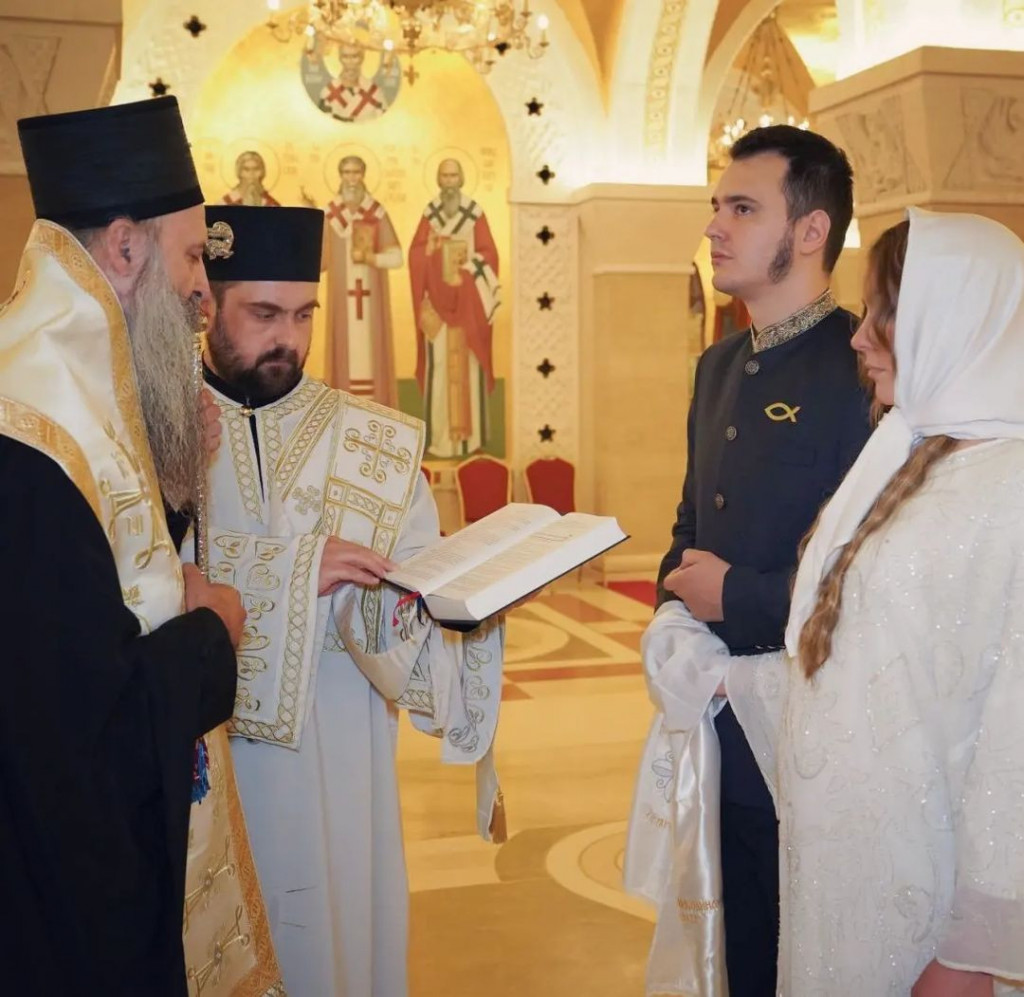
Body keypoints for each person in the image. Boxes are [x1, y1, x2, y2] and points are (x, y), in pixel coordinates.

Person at [200, 203, 507, 997]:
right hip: (206, 763)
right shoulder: (158, 430)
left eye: (304, 315)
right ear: (209, 306)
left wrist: (466, 602)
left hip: (339, 759)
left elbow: (411, 611)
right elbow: (136, 583)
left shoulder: (378, 442)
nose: (289, 339)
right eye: (263, 314)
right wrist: (299, 568)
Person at [730, 208, 1024, 996]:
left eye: (883, 313)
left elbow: (1016, 738)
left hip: (933, 896)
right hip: (847, 876)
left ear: (955, 318)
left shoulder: (1014, 486)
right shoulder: (911, 454)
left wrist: (977, 950)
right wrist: (723, 680)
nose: (860, 337)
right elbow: (872, 667)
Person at [0, 97, 252, 996]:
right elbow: (80, 735)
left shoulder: (59, 397)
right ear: (124, 247)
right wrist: (213, 634)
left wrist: (175, 494)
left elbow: (103, 592)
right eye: (192, 256)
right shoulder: (32, 442)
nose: (203, 290)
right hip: (53, 922)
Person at [624, 125, 872, 997]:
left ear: (809, 230)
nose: (714, 227)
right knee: (735, 951)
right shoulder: (718, 364)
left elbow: (869, 576)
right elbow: (690, 518)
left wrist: (736, 595)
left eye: (741, 208)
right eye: (715, 207)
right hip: (716, 721)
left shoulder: (860, 370)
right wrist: (672, 611)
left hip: (810, 724)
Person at [409, 157, 500, 457]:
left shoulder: (474, 214)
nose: (449, 182)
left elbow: (489, 255)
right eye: (444, 176)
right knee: (439, 369)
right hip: (436, 306)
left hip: (468, 306)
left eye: (453, 176)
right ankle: (440, 440)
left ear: (461, 179)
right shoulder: (431, 214)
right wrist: (430, 250)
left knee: (469, 368)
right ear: (439, 180)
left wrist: (467, 267)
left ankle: (470, 441)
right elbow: (415, 255)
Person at [324, 154, 402, 405]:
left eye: (356, 172)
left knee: (370, 354)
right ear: (340, 176)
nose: (352, 179)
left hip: (370, 300)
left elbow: (397, 257)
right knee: (345, 353)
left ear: (363, 175)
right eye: (347, 172)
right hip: (342, 301)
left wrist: (371, 258)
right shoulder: (331, 214)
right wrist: (308, 224)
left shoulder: (376, 213)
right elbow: (320, 262)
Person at [319, 42, 391, 123]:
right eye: (345, 56)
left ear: (362, 58)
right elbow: (324, 125)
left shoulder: (374, 93)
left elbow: (383, 123)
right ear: (340, 58)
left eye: (355, 56)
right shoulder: (329, 92)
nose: (350, 61)